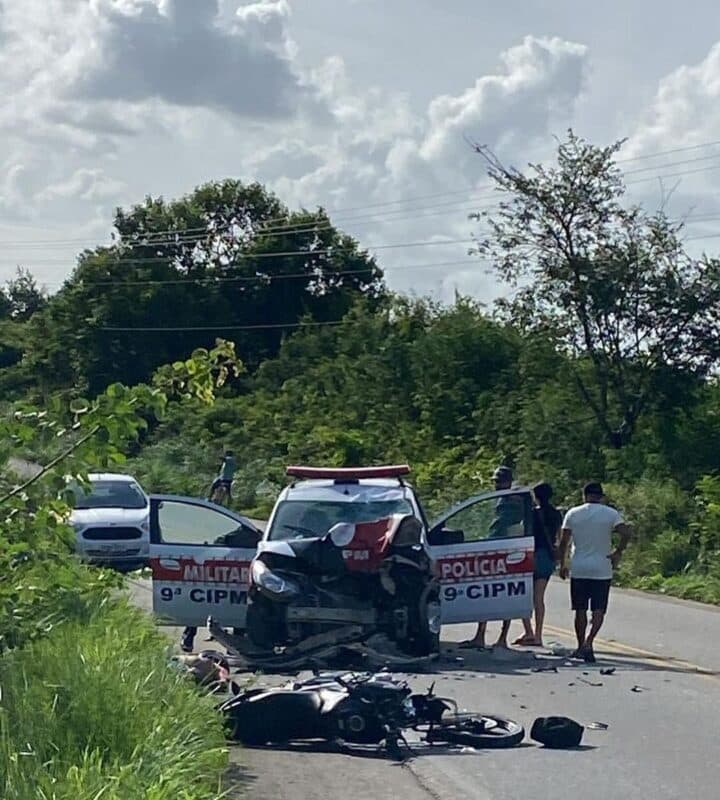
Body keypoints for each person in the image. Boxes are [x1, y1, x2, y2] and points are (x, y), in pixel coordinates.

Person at [557, 482, 631, 663]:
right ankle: (590, 642)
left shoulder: (573, 513)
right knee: (599, 609)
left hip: (580, 566)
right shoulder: (611, 514)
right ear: (601, 496)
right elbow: (626, 533)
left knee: (580, 609)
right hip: (602, 567)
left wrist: (562, 564)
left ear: (584, 495)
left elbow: (564, 542)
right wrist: (618, 551)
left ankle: (580, 644)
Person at [460, 466, 521, 650]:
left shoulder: (514, 500)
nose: (497, 485)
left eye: (500, 481)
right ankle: (480, 635)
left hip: (509, 549)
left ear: (509, 481)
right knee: (486, 592)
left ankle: (502, 637)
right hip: (493, 547)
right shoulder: (497, 499)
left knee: (508, 595)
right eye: (496, 481)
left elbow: (508, 523)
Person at [513, 482, 562, 647]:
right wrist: (560, 559)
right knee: (539, 597)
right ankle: (539, 634)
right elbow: (559, 537)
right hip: (547, 556)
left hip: (531, 555)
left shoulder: (531, 514)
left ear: (536, 496)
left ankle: (529, 632)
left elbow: (521, 531)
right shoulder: (556, 514)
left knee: (524, 596)